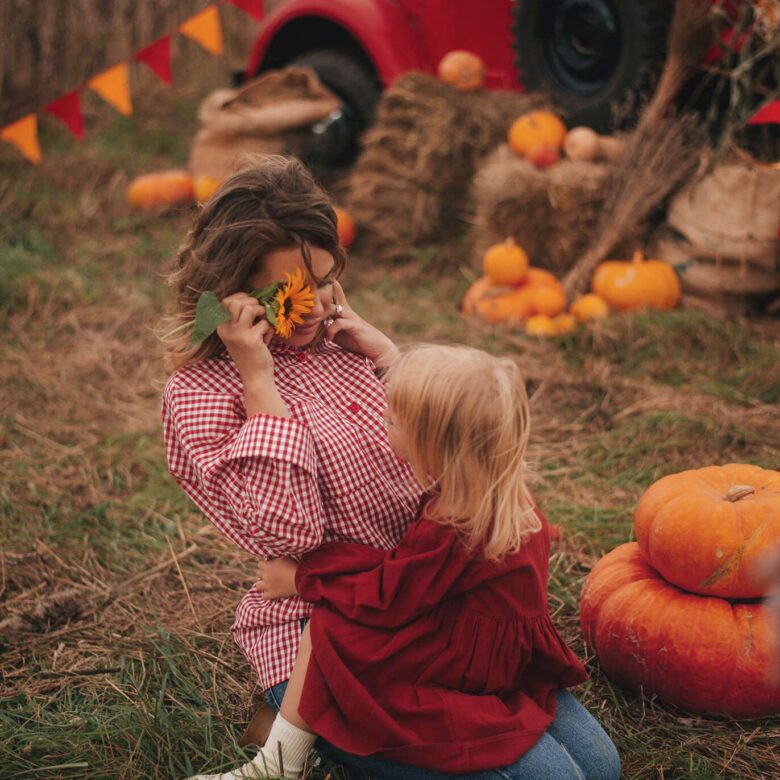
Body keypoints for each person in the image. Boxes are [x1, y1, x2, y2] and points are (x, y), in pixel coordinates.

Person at [163, 156, 620, 779]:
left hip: (438, 611)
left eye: (324, 281)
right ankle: (300, 734)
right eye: (290, 292)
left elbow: (448, 462)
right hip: (340, 641)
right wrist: (259, 380)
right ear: (233, 293)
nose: (316, 305)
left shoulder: (345, 351)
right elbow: (288, 542)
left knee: (600, 765)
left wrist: (392, 362)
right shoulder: (203, 396)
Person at [188, 344, 622, 780]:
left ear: (430, 443)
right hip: (495, 658)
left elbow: (387, 596)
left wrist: (304, 576)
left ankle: (280, 764)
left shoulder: (454, 525)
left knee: (330, 625)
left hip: (464, 670)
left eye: (392, 421)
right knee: (598, 770)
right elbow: (406, 573)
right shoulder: (507, 498)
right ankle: (282, 755)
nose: (383, 423)